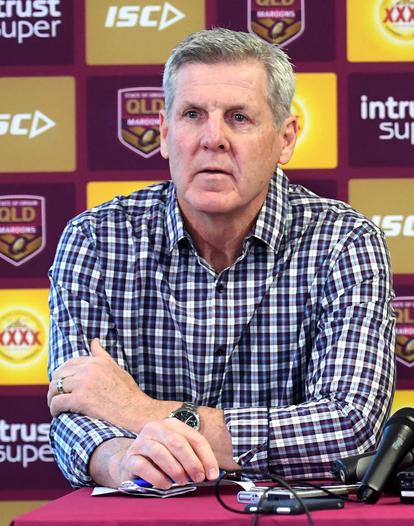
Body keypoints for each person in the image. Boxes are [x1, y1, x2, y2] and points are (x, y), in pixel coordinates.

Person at [47, 28, 395, 489]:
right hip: (143, 518)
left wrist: (136, 411)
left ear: (285, 138)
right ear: (166, 134)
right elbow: (76, 408)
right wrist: (123, 462)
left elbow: (350, 428)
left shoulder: (344, 241)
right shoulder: (95, 240)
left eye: (239, 118)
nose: (213, 139)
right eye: (193, 115)